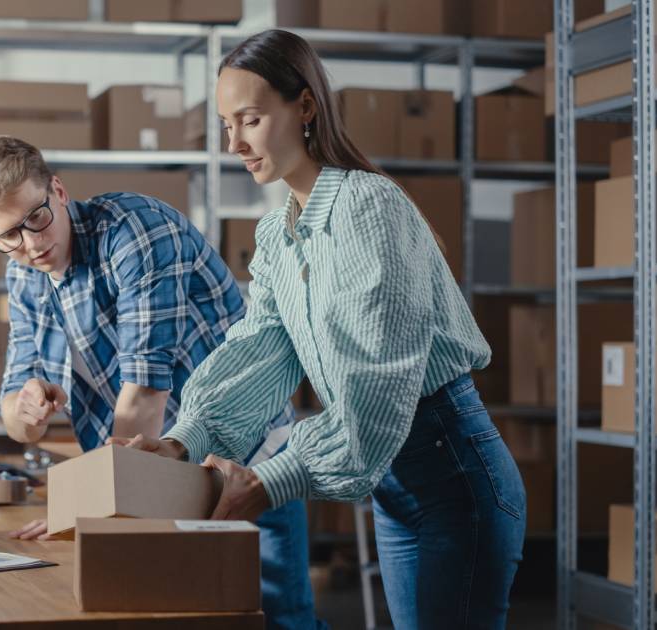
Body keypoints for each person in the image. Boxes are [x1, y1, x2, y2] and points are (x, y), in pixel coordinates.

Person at [114, 29, 526, 629]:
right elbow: (258, 355)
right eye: (226, 125)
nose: (234, 143)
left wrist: (270, 481)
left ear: (304, 106)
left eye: (250, 120)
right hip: (396, 489)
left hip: (454, 479)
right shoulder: (279, 234)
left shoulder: (368, 207)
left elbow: (376, 390)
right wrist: (182, 442)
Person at [0, 134, 322, 629]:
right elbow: (17, 417)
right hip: (151, 473)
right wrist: (26, 408)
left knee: (277, 620)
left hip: (242, 460)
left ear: (57, 190)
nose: (31, 243)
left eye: (36, 218)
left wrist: (87, 510)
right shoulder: (24, 276)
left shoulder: (134, 232)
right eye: (8, 236)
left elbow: (145, 393)